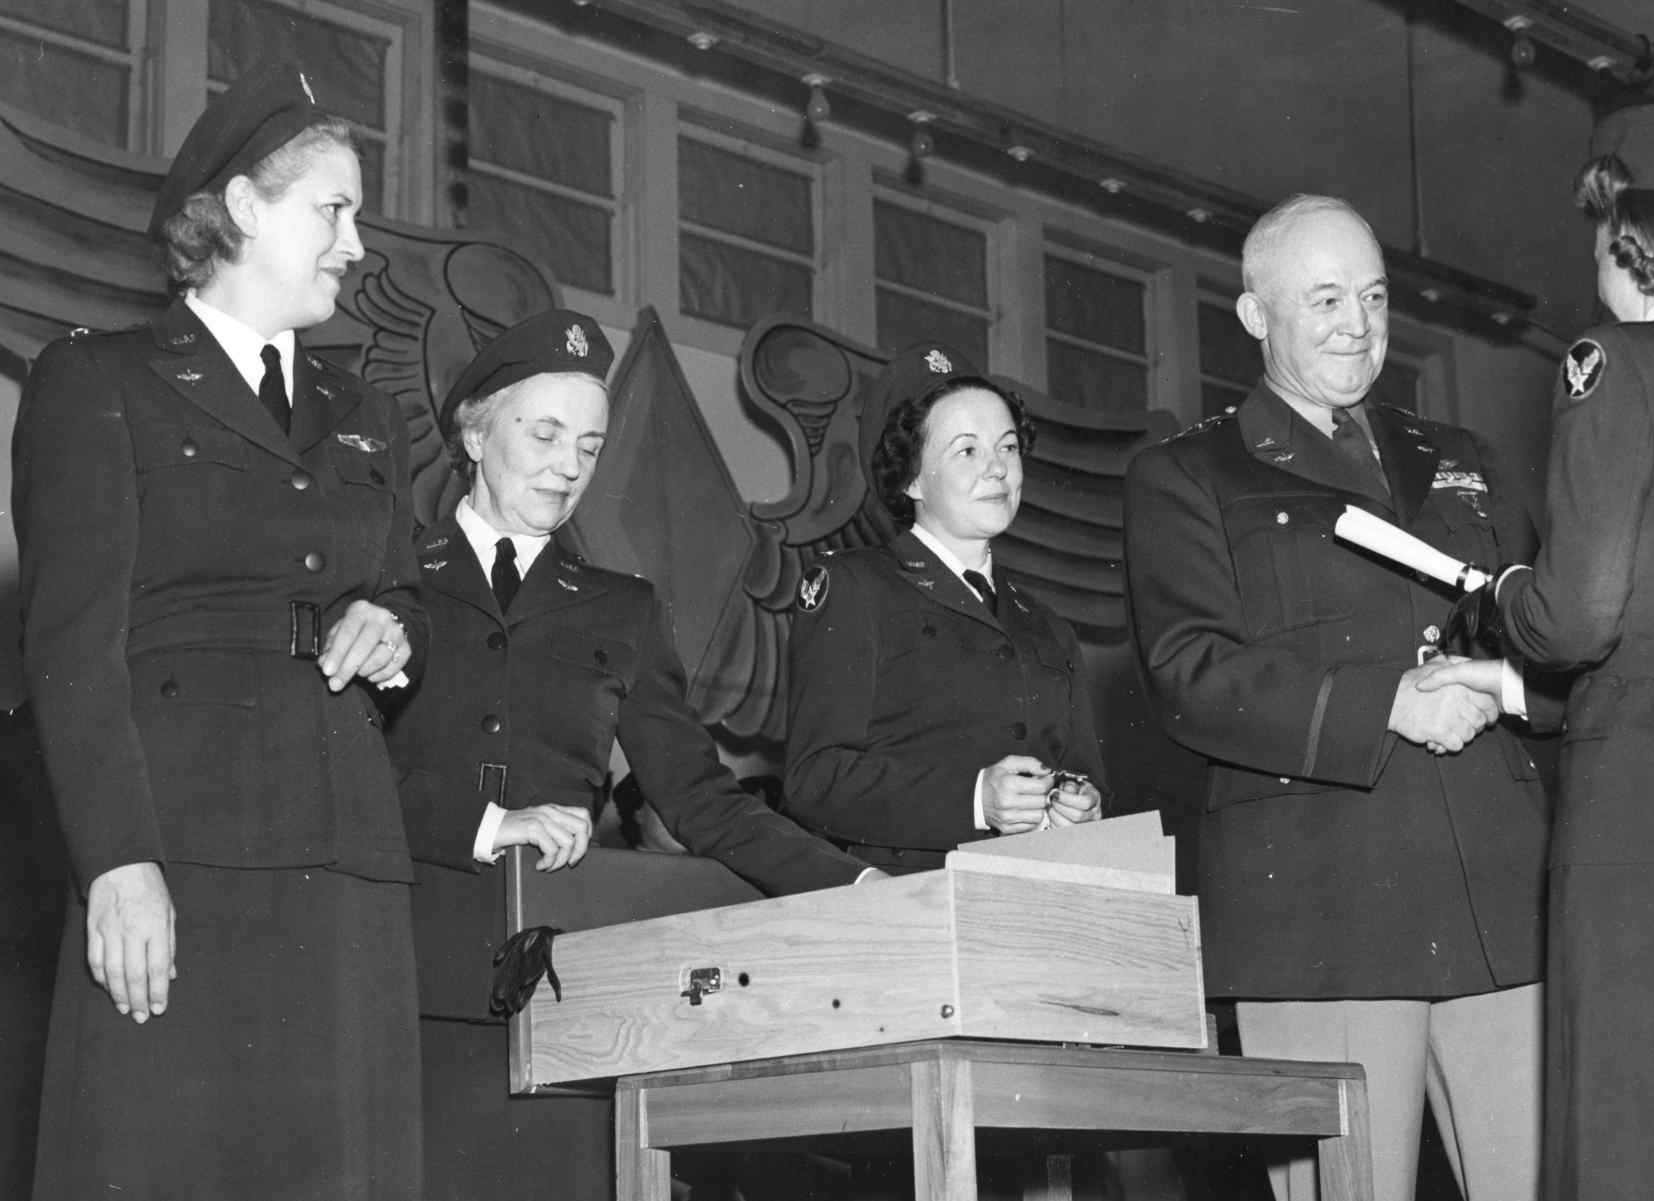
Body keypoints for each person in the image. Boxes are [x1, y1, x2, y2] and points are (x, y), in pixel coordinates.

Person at [14, 62, 425, 1199]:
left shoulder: (368, 413)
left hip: (345, 855)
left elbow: (407, 593)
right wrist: (118, 863)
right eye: (332, 211)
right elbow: (72, 650)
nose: (355, 245)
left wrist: (393, 622)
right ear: (243, 206)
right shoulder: (97, 380)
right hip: (181, 852)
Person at [382, 309, 877, 1201]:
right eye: (544, 433)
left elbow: (702, 799)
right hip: (391, 971)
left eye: (591, 444)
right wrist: (489, 823)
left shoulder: (624, 609)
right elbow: (338, 772)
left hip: (564, 1001)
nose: (569, 465)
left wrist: (853, 887)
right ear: (474, 428)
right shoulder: (388, 578)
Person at [1123, 195, 1557, 1201]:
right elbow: (1188, 673)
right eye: (1323, 299)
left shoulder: (1468, 462)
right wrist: (1386, 703)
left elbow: (1550, 639)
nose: (1357, 324)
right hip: (1327, 906)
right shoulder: (1187, 474)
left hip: (1498, 891)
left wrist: (1505, 682)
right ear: (1253, 315)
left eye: (1372, 295)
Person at [1431, 104, 1654, 1201]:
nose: (1589, 247)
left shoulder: (1613, 361)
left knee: (1639, 1135)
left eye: (1599, 222)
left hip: (1651, 809)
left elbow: (1580, 616)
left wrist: (1500, 593)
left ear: (1634, 233)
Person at [784, 341, 1105, 874]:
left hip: (1039, 902)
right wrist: (976, 799)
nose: (998, 470)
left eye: (1007, 447)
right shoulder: (854, 587)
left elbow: (1085, 774)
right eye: (967, 451)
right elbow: (815, 781)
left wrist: (1083, 806)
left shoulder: (1047, 626)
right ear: (911, 478)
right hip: (911, 904)